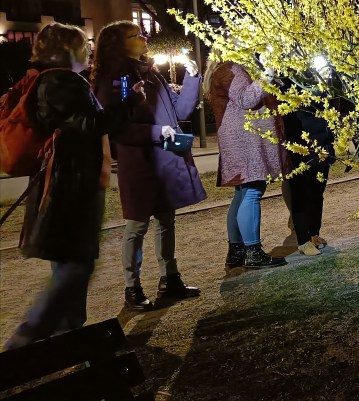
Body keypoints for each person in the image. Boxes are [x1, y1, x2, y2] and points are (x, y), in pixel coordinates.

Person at [4, 25, 110, 349]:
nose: (89, 51)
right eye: (83, 46)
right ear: (69, 51)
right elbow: (86, 126)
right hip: (69, 188)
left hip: (67, 185)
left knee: (71, 268)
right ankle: (22, 344)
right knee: (74, 269)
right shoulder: (61, 81)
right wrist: (130, 106)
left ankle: (70, 340)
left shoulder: (52, 80)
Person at [92, 22, 205, 311]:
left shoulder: (150, 72)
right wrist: (158, 133)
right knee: (137, 225)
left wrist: (192, 79)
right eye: (136, 35)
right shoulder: (115, 79)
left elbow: (179, 111)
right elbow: (118, 128)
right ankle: (133, 287)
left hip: (163, 160)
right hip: (140, 163)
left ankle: (170, 279)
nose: (144, 38)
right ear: (118, 44)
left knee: (167, 220)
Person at [206, 59, 288, 269]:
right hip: (246, 139)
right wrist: (267, 74)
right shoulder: (233, 68)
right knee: (252, 191)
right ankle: (253, 251)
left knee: (242, 194)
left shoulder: (227, 68)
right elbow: (246, 98)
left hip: (240, 137)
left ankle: (236, 250)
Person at [283, 105, 335, 255]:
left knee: (317, 194)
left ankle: (314, 234)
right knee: (300, 195)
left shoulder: (320, 83)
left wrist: (330, 145)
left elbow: (328, 115)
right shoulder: (288, 84)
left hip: (321, 146)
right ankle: (303, 241)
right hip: (299, 147)